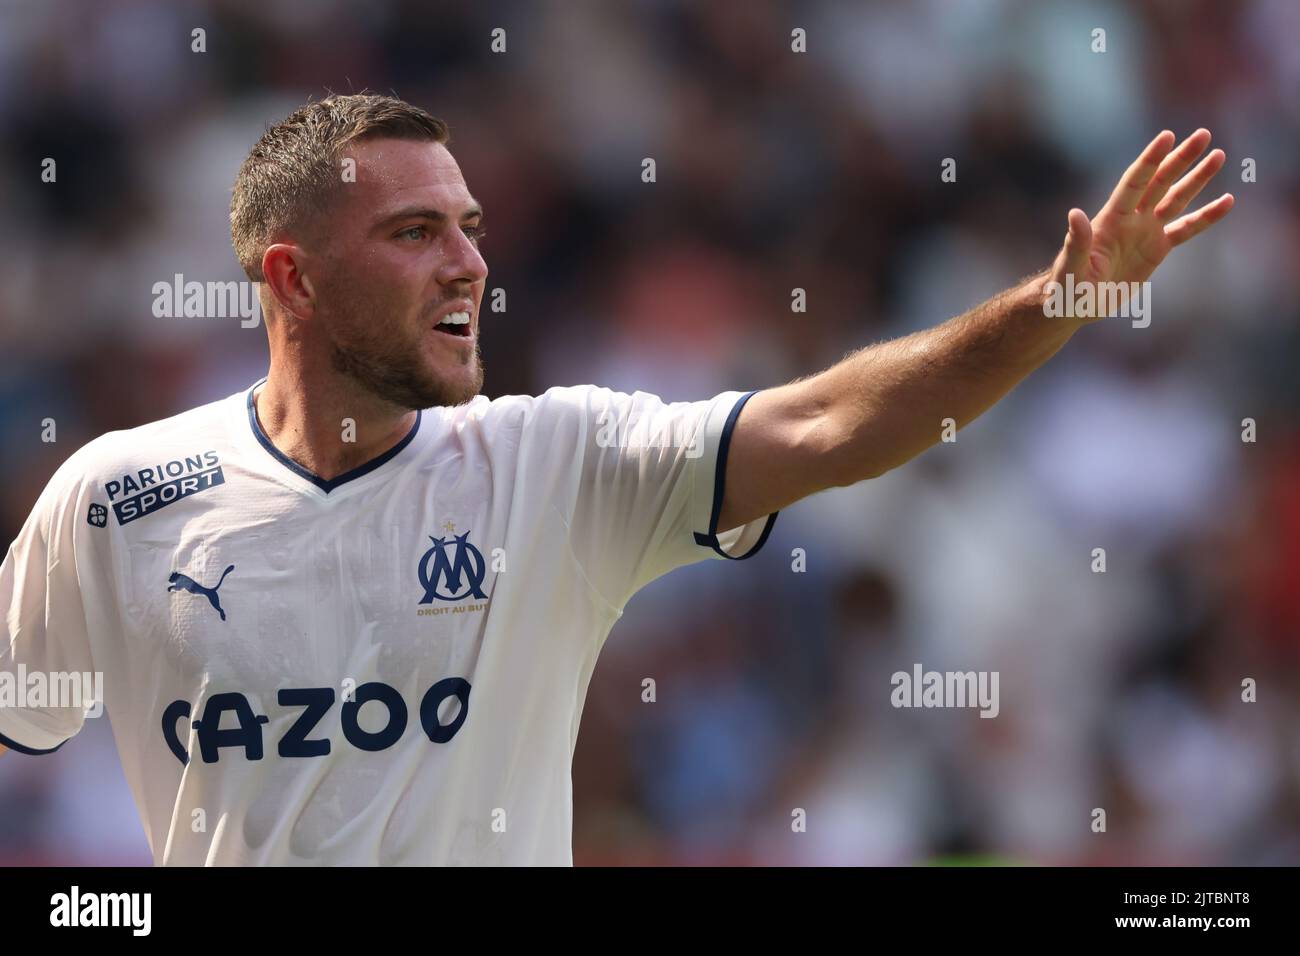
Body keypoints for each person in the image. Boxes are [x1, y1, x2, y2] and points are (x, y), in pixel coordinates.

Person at [0, 94, 1233, 865]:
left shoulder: (559, 458)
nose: (471, 265)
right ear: (293, 278)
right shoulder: (118, 500)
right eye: (415, 232)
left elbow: (833, 422)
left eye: (471, 225)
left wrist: (1058, 299)